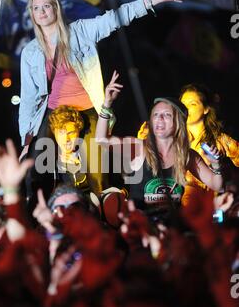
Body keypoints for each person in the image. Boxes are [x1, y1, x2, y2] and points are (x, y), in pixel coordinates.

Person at [19, 0, 188, 204]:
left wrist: (152, 1)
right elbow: (29, 99)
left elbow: (116, 18)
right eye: (36, 8)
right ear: (32, 14)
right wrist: (26, 141)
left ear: (56, 9)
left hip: (88, 109)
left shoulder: (81, 31)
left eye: (46, 6)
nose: (42, 12)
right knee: (34, 168)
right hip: (54, 113)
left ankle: (100, 215)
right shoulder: (30, 52)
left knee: (96, 172)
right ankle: (37, 214)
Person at [95, 72, 224, 211]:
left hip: (171, 227)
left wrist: (216, 165)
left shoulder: (187, 155)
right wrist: (107, 105)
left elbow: (217, 185)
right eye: (155, 114)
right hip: (142, 227)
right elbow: (101, 140)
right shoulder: (139, 148)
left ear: (178, 123)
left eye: (166, 115)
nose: (159, 118)